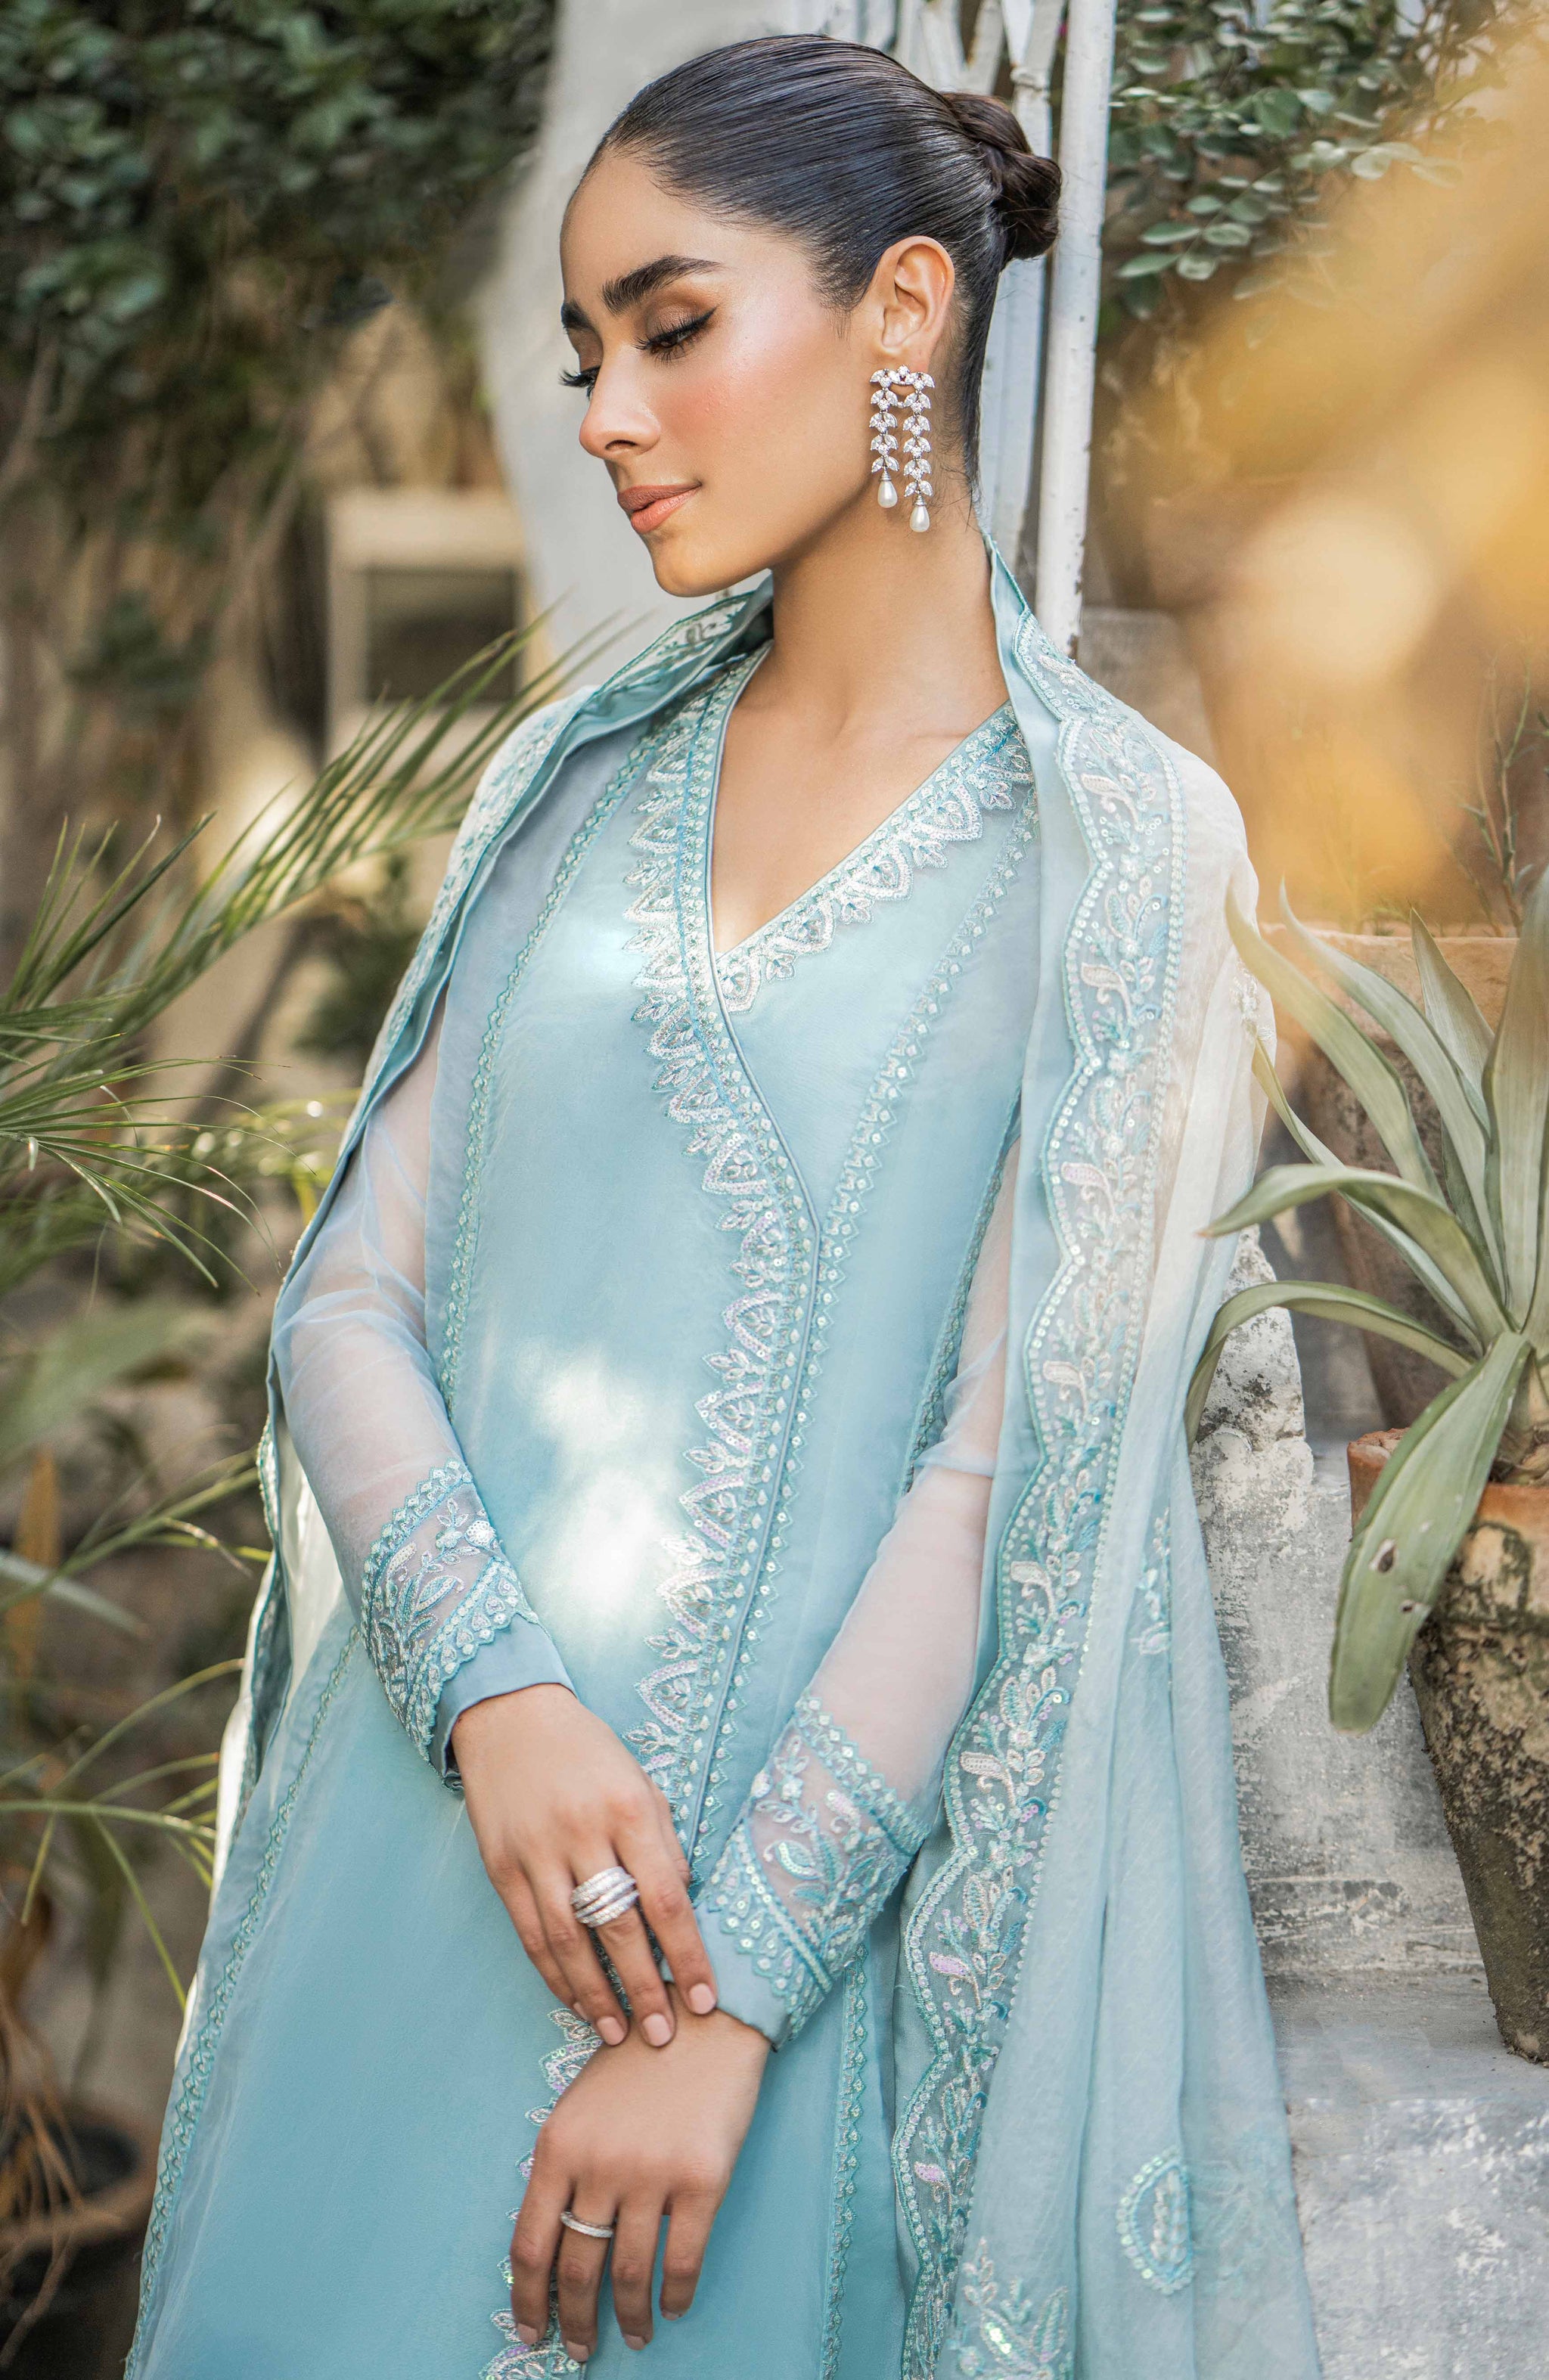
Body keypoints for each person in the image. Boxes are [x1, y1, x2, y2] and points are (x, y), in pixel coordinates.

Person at [129, 37, 1321, 2380]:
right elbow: (350, 1292)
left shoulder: (1119, 856)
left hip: (779, 1970)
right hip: (435, 1853)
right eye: (587, 351)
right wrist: (497, 1702)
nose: (606, 411)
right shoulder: (568, 782)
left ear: (903, 310)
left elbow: (1012, 1468)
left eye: (670, 328)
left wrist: (729, 2000)